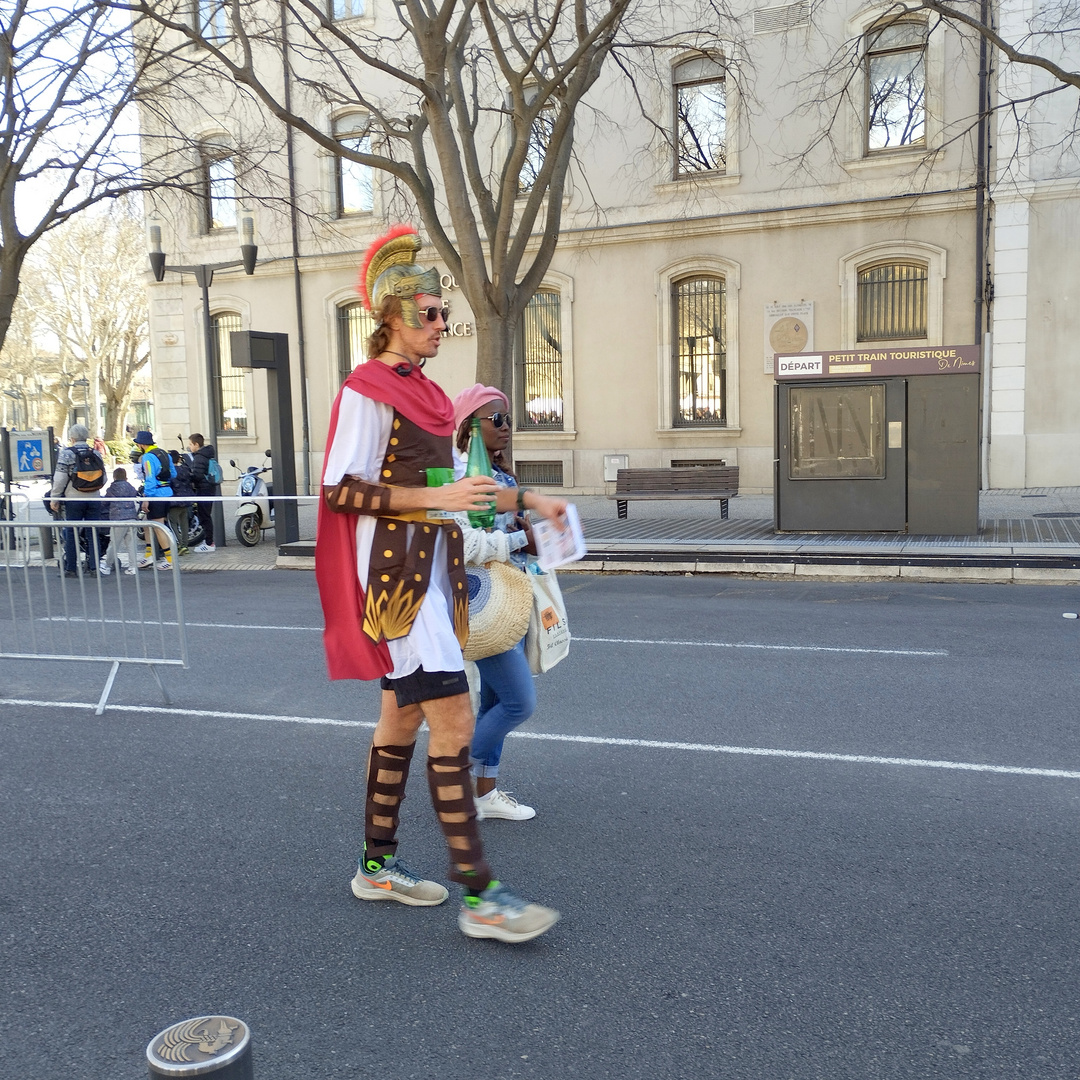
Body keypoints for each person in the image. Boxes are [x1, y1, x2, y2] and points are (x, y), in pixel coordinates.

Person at [317, 225, 566, 943]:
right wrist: (436, 502)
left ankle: (376, 867)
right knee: (454, 720)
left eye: (442, 314)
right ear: (391, 316)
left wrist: (530, 502)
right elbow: (339, 490)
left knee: (400, 721)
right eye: (429, 313)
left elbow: (453, 489)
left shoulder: (422, 393)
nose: (440, 325)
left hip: (431, 578)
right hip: (396, 586)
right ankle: (482, 894)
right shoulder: (366, 391)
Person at [452, 384, 539, 821]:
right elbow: (465, 545)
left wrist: (524, 533)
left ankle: (484, 795)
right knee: (519, 702)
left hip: (508, 593)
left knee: (493, 702)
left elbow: (501, 535)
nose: (507, 428)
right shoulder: (458, 474)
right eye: (497, 419)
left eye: (509, 419)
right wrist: (524, 537)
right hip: (483, 601)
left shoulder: (500, 473)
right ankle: (449, 772)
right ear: (471, 425)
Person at [49, 423, 105, 578]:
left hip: (74, 498)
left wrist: (55, 498)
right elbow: (104, 477)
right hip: (94, 498)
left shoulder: (67, 453)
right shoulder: (95, 453)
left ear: (72, 438)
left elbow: (60, 478)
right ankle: (94, 567)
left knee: (72, 532)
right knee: (92, 532)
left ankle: (71, 568)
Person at [133, 431, 174, 571]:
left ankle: (170, 559)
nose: (137, 445)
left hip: (156, 494)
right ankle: (149, 554)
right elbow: (173, 473)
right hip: (167, 492)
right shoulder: (164, 454)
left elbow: (150, 478)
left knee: (158, 526)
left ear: (142, 444)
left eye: (138, 443)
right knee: (147, 524)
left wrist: (147, 498)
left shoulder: (148, 457)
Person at [98, 468, 140, 576]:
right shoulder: (130, 487)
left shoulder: (112, 488)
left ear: (114, 477)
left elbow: (105, 503)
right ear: (126, 477)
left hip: (118, 519)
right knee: (131, 544)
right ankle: (133, 567)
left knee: (114, 544)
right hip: (132, 518)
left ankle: (107, 566)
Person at [187, 434, 217, 553]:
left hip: (203, 489)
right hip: (209, 488)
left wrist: (189, 476)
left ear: (196, 444)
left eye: (190, 444)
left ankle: (209, 543)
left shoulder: (199, 457)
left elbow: (197, 475)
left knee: (205, 516)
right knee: (206, 515)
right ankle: (208, 541)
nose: (189, 446)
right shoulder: (208, 455)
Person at [167, 450, 195, 554]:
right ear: (179, 459)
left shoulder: (170, 471)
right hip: (186, 500)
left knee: (172, 522)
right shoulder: (185, 469)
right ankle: (185, 545)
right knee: (184, 523)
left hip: (174, 501)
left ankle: (179, 544)